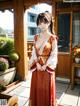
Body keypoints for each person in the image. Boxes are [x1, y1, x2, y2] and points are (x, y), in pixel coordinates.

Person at [29, 11, 58, 106]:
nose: (42, 25)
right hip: (37, 68)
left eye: (44, 22)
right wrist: (36, 63)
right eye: (40, 22)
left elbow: (54, 54)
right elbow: (34, 52)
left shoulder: (53, 38)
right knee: (37, 89)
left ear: (49, 23)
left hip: (47, 68)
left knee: (46, 89)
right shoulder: (36, 37)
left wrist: (46, 65)